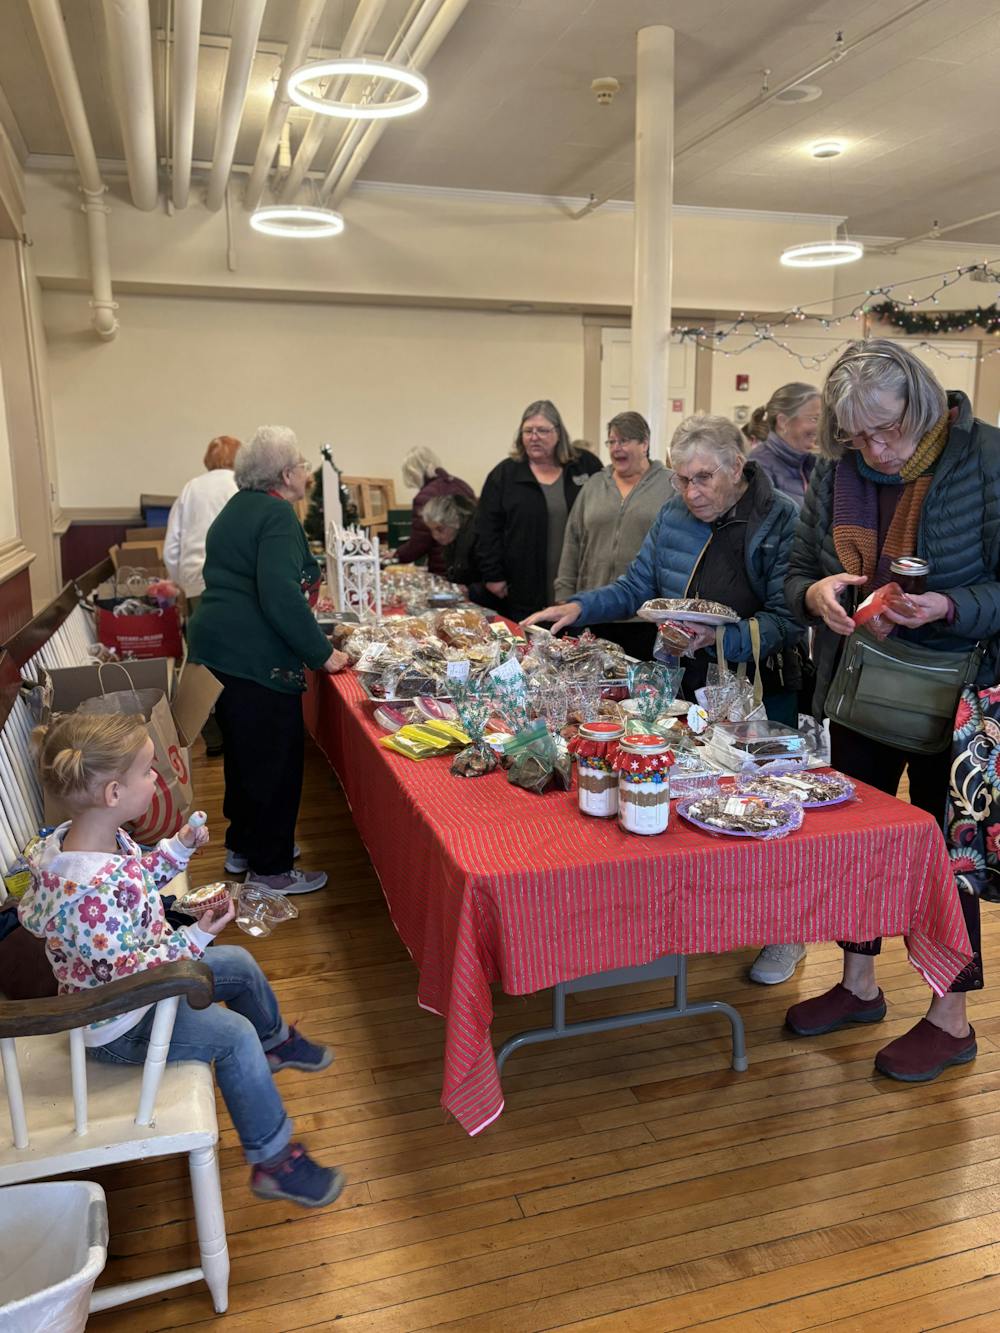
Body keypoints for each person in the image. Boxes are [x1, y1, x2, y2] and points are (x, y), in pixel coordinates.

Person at [525, 413, 806, 987]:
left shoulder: (780, 519)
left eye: (702, 479)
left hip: (761, 686)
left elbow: (787, 616)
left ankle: (786, 931)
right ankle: (697, 915)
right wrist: (580, 607)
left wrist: (718, 636)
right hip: (687, 681)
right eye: (681, 479)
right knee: (695, 801)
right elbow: (638, 587)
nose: (689, 492)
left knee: (764, 807)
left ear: (737, 468)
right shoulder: (676, 511)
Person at [19, 712, 345, 1208]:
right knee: (233, 1037)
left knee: (236, 960)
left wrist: (178, 847)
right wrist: (195, 936)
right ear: (113, 794)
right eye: (149, 770)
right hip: (120, 1022)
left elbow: (137, 879)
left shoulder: (88, 838)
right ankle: (274, 1161)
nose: (157, 778)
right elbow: (131, 973)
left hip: (141, 982)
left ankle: (275, 1043)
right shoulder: (87, 895)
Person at [784, 338, 1000, 1081]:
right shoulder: (835, 467)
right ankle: (858, 983)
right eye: (857, 436)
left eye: (887, 430)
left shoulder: (986, 458)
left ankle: (951, 1020)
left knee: (948, 858)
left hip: (959, 697)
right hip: (858, 684)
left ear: (922, 399)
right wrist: (813, 594)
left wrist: (951, 604)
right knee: (857, 839)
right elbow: (798, 569)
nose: (874, 448)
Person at [188, 426, 347, 894]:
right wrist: (322, 655)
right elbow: (280, 595)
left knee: (243, 756)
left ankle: (245, 846)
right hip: (254, 656)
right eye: (301, 465)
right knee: (274, 762)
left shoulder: (238, 508)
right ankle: (271, 869)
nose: (305, 473)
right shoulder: (277, 514)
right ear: (285, 474)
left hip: (220, 652)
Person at [554, 411, 673, 659]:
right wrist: (565, 597)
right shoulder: (594, 485)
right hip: (593, 611)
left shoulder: (669, 486)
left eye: (624, 441)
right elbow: (572, 541)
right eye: (612, 442)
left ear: (645, 443)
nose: (616, 448)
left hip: (645, 617)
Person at [477, 400, 602, 621]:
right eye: (528, 431)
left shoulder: (585, 465)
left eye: (542, 430)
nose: (534, 437)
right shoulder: (504, 474)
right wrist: (492, 575)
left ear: (558, 433)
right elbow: (487, 528)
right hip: (523, 586)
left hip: (580, 583)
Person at [163, 436, 241, 603]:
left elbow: (171, 548)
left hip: (195, 581)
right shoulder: (241, 486)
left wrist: (182, 583)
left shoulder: (190, 488)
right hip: (235, 583)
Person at [393, 447, 475, 574]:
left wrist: (396, 556)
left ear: (412, 473)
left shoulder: (424, 497)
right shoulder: (462, 485)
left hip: (443, 566)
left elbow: (420, 542)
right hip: (470, 565)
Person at [747, 383, 821, 509]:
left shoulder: (812, 464)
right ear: (783, 422)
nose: (820, 427)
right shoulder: (758, 466)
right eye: (814, 419)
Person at [421, 493, 498, 609]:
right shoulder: (455, 538)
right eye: (431, 530)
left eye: (440, 529)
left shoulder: (478, 537)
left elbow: (494, 580)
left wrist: (469, 590)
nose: (435, 536)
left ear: (454, 522)